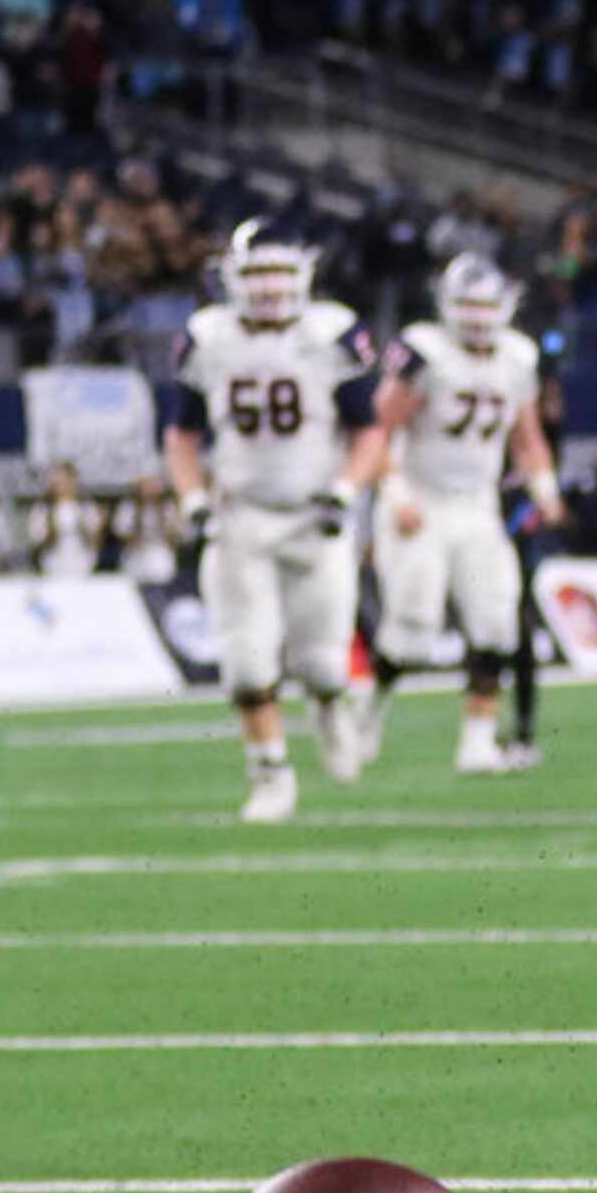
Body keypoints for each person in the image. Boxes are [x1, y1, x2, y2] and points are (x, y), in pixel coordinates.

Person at [161, 219, 386, 823]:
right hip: (239, 517)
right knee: (246, 660)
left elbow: (369, 429)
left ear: (305, 274)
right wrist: (191, 500)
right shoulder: (207, 338)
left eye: (280, 271)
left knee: (322, 664)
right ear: (232, 277)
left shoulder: (333, 332)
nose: (269, 286)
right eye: (258, 272)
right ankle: (270, 773)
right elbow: (181, 435)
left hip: (316, 515)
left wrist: (346, 488)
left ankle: (331, 706)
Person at [362, 252, 564, 774]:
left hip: (478, 504)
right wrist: (395, 494)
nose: (476, 318)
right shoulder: (423, 352)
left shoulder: (518, 357)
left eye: (485, 306)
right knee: (412, 631)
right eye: (467, 306)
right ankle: (367, 712)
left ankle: (477, 744)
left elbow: (527, 436)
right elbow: (377, 431)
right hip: (421, 499)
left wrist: (544, 486)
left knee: (496, 622)